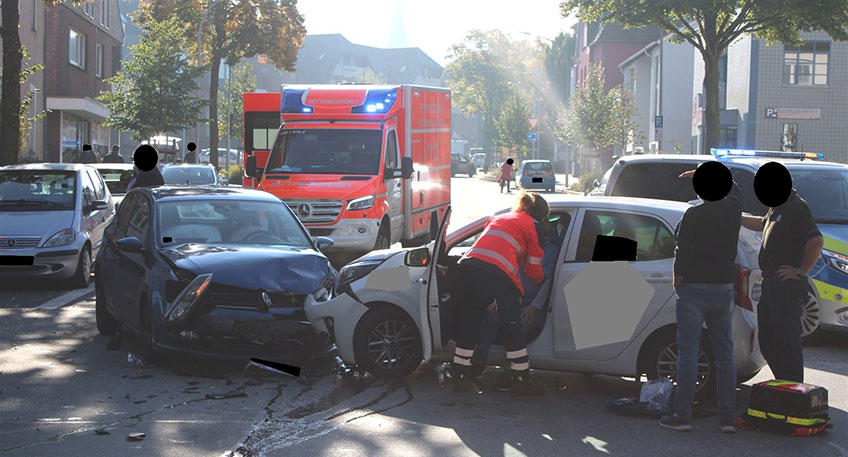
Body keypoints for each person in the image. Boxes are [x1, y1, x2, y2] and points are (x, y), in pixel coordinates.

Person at [658, 162, 742, 433]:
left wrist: (677, 279)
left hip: (693, 289)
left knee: (688, 354)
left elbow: (681, 253)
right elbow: (734, 188)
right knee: (724, 353)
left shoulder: (693, 215)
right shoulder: (733, 210)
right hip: (723, 288)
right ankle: (728, 417)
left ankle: (682, 416)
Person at [451, 190, 548, 396]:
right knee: (512, 325)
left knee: (470, 321)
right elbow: (533, 267)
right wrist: (541, 280)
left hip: (469, 267)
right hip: (500, 272)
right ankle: (520, 379)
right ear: (540, 214)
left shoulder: (500, 217)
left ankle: (460, 374)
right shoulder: (534, 226)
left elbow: (485, 244)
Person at [741, 162, 823, 384]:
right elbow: (762, 223)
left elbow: (815, 241)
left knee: (786, 342)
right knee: (768, 341)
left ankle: (793, 389)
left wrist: (800, 271)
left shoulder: (796, 207)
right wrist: (737, 217)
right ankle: (785, 385)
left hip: (786, 286)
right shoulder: (777, 207)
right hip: (772, 284)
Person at [469, 215, 563, 390]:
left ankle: (510, 374)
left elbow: (549, 282)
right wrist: (500, 299)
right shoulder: (522, 244)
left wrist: (535, 306)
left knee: (518, 329)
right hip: (515, 297)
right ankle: (478, 363)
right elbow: (509, 274)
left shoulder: (553, 251)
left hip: (535, 304)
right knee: (492, 316)